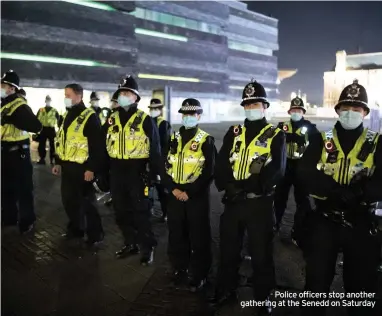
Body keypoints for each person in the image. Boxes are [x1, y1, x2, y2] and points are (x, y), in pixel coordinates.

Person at [298, 80, 382, 316]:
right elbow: (304, 172)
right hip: (325, 218)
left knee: (360, 287)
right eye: (345, 108)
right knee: (316, 284)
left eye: (356, 109)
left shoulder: (377, 142)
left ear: (365, 113)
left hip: (360, 222)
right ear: (337, 110)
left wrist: (359, 192)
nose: (350, 113)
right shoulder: (320, 138)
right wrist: (335, 191)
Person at [212, 80, 286, 315]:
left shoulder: (275, 134)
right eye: (247, 104)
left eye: (255, 104)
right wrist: (228, 186)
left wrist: (248, 186)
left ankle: (263, 296)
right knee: (229, 249)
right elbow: (222, 162)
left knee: (261, 252)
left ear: (265, 106)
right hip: (233, 203)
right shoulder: (234, 132)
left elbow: (278, 169)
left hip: (259, 203)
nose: (251, 107)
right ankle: (227, 288)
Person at [104, 75, 161, 265]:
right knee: (120, 211)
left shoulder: (144, 119)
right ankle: (131, 243)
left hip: (137, 171)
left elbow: (155, 148)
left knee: (140, 212)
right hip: (117, 171)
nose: (123, 96)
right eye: (121, 93)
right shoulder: (111, 119)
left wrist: (153, 175)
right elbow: (103, 145)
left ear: (136, 97)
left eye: (127, 93)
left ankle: (147, 247)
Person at [161, 98, 216, 291]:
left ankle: (200, 274)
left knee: (199, 236)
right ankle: (180, 269)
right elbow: (163, 166)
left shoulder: (206, 140)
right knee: (177, 235)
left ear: (199, 116)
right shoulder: (173, 138)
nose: (188, 118)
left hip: (196, 198)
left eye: (192, 115)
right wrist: (173, 189)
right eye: (185, 114)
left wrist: (189, 192)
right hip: (175, 196)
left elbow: (209, 172)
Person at [52, 83, 105, 245]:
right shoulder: (67, 114)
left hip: (83, 167)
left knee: (87, 203)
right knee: (69, 201)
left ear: (79, 96)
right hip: (67, 166)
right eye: (65, 95)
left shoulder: (89, 116)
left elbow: (97, 145)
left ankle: (95, 234)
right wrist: (58, 162)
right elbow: (62, 141)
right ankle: (76, 229)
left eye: (68, 95)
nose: (65, 98)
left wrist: (91, 168)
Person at [1, 69, 42, 233]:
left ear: (12, 88)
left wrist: (13, 119)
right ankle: (9, 217)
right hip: (5, 150)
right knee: (5, 187)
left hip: (18, 152)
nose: (0, 87)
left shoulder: (20, 105)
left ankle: (27, 220)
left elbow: (36, 126)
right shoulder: (3, 103)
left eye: (3, 85)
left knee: (23, 188)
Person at [274, 97, 318, 244]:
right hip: (285, 166)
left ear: (303, 112)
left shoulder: (310, 127)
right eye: (294, 110)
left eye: (299, 110)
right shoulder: (282, 125)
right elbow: (273, 142)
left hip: (301, 166)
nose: (296, 112)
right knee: (279, 199)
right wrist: (287, 136)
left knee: (302, 202)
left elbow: (318, 146)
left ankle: (298, 233)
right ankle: (274, 227)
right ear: (289, 111)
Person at [148, 98, 172, 222]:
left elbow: (166, 145)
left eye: (155, 109)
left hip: (160, 162)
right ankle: (150, 209)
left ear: (160, 110)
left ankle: (166, 212)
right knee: (148, 188)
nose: (153, 111)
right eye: (151, 109)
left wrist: (162, 164)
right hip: (148, 162)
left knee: (162, 189)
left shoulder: (164, 124)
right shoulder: (147, 122)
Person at [36, 95, 60, 165]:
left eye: (49, 100)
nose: (48, 101)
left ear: (50, 101)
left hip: (51, 129)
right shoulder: (41, 110)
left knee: (53, 145)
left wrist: (59, 128)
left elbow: (58, 119)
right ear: (45, 101)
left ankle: (52, 160)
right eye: (47, 100)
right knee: (41, 145)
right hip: (43, 129)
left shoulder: (54, 110)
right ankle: (42, 159)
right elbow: (36, 118)